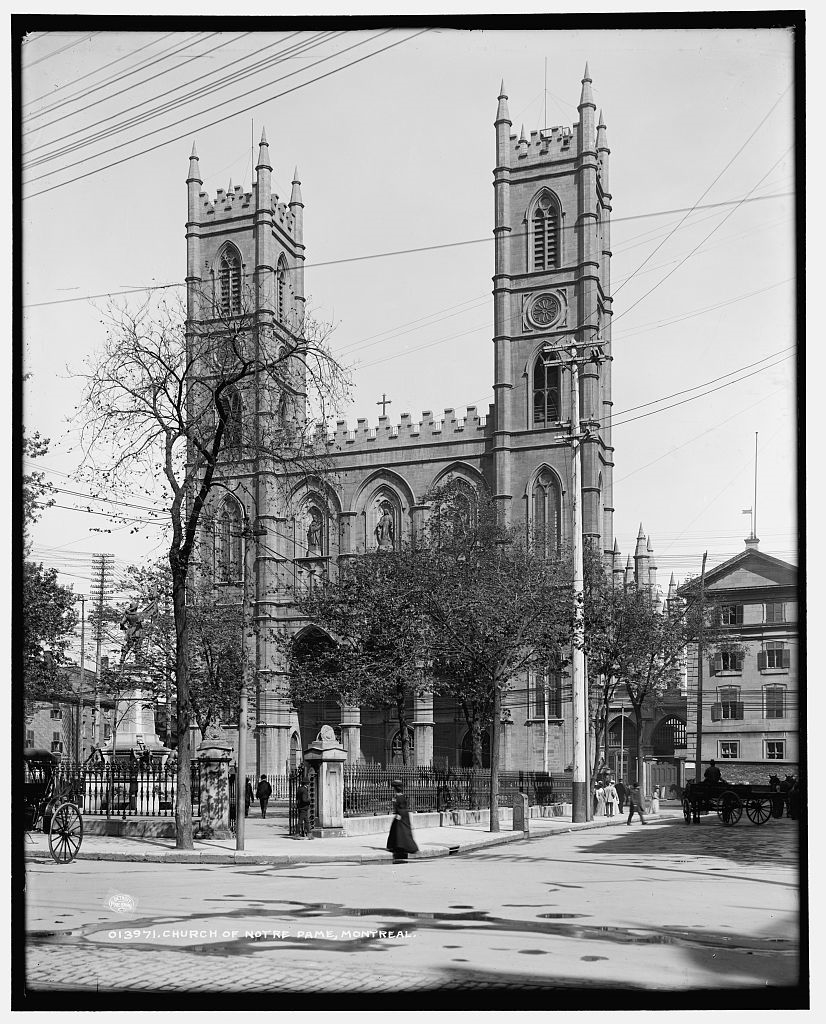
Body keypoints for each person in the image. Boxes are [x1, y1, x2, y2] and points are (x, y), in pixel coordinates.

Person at [386, 779, 419, 863]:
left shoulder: (395, 797)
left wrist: (398, 814)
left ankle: (397, 846)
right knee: (405, 831)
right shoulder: (403, 795)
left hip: (399, 815)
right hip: (405, 815)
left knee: (398, 831)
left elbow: (396, 807)